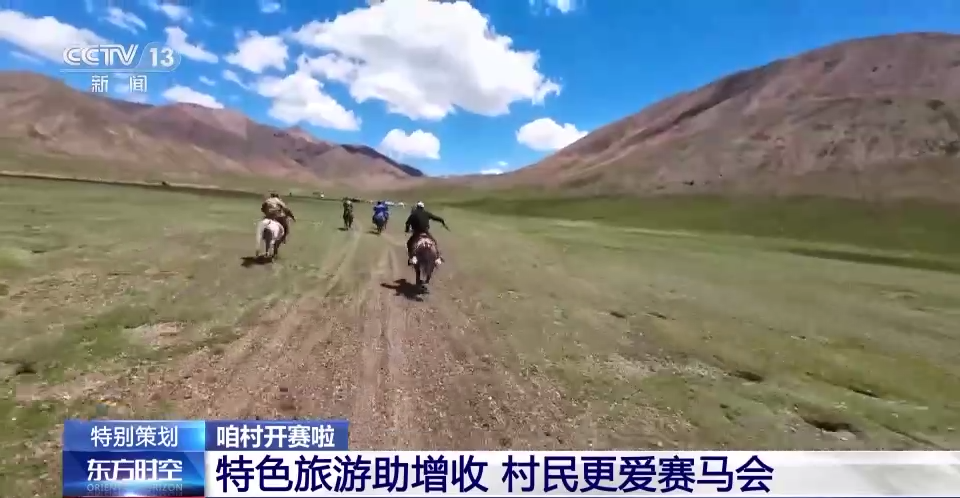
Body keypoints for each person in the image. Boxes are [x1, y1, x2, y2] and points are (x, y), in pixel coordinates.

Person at [404, 201, 448, 266]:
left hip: (417, 232)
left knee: (409, 243)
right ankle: (437, 257)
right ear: (423, 207)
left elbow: (407, 223)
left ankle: (412, 257)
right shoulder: (426, 213)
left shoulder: (413, 214)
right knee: (434, 242)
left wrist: (407, 230)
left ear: (417, 207)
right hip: (425, 232)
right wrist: (442, 220)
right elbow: (435, 218)